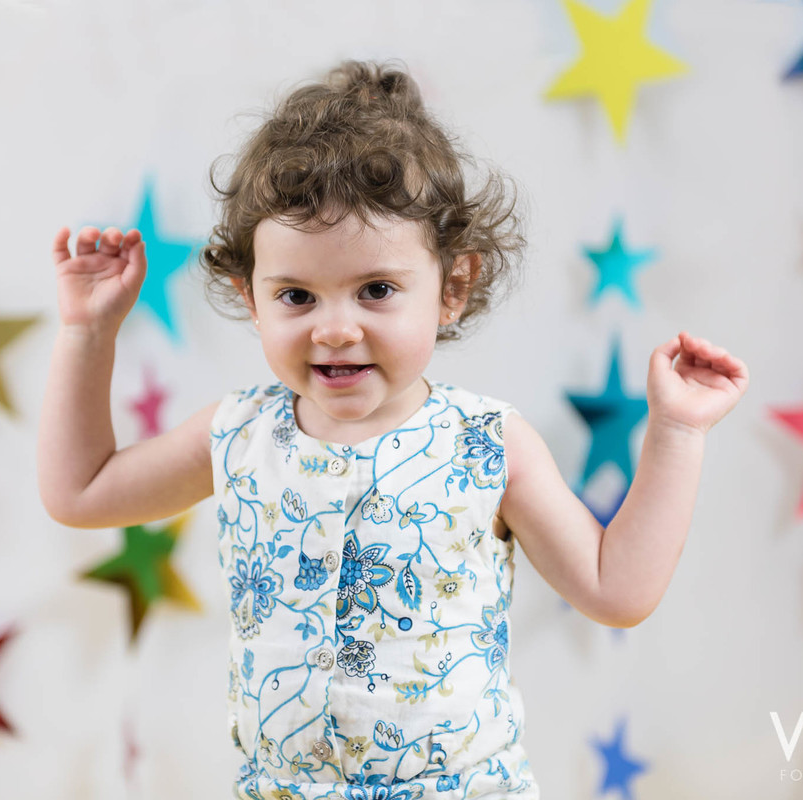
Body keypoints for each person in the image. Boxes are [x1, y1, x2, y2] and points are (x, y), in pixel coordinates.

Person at [38, 60, 748, 800]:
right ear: (251, 298)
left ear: (454, 287)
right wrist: (88, 335)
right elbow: (81, 492)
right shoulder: (239, 434)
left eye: (376, 290)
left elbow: (616, 589)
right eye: (297, 296)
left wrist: (676, 432)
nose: (335, 329)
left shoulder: (487, 443)